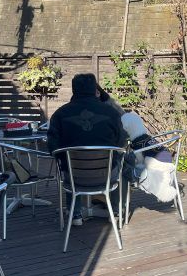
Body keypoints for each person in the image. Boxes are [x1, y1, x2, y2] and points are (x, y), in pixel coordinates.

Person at [48, 73, 128, 226]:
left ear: (73, 89)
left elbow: (53, 147)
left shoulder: (59, 114)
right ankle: (116, 212)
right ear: (95, 89)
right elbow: (121, 141)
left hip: (74, 178)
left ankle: (75, 214)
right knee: (123, 163)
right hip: (106, 176)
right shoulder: (112, 113)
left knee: (68, 162)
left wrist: (64, 159)